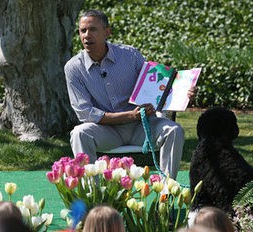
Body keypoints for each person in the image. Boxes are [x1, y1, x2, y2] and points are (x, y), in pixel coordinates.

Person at [64, 9, 192, 179]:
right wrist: (130, 116)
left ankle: (167, 190)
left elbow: (155, 86)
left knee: (174, 130)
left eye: (93, 29)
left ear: (107, 32)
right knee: (79, 133)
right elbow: (85, 113)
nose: (87, 35)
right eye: (83, 30)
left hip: (142, 127)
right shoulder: (73, 68)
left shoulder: (130, 55)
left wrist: (184, 93)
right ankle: (93, 195)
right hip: (106, 131)